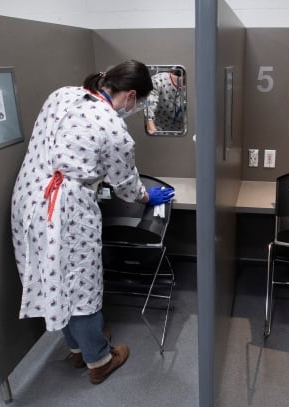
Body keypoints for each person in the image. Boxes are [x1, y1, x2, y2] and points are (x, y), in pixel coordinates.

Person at [10, 60, 175, 385]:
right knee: (80, 285)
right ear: (130, 95)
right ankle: (98, 359)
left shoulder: (61, 95)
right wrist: (147, 197)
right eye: (139, 102)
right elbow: (127, 186)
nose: (137, 108)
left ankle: (77, 347)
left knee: (54, 277)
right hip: (66, 209)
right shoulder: (113, 129)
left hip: (28, 196)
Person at [145, 69, 184, 134]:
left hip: (183, 132)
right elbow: (148, 106)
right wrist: (154, 131)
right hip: (159, 129)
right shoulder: (158, 80)